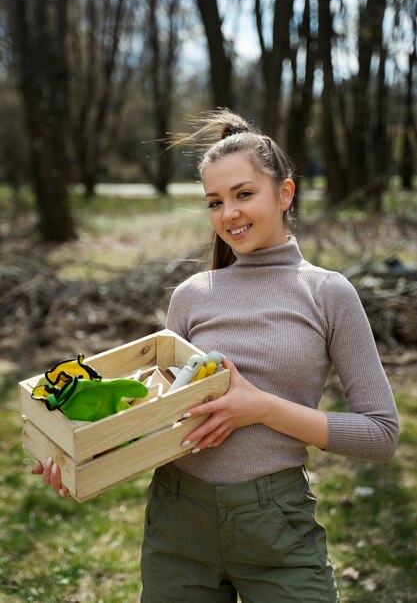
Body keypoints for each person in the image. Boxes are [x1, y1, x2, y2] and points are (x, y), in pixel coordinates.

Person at [34, 109, 399, 602]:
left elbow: (380, 434)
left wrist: (261, 407)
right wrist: (78, 454)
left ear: (285, 193)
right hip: (178, 522)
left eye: (244, 194)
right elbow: (152, 418)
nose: (229, 214)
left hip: (277, 526)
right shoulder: (191, 294)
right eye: (215, 201)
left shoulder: (328, 294)